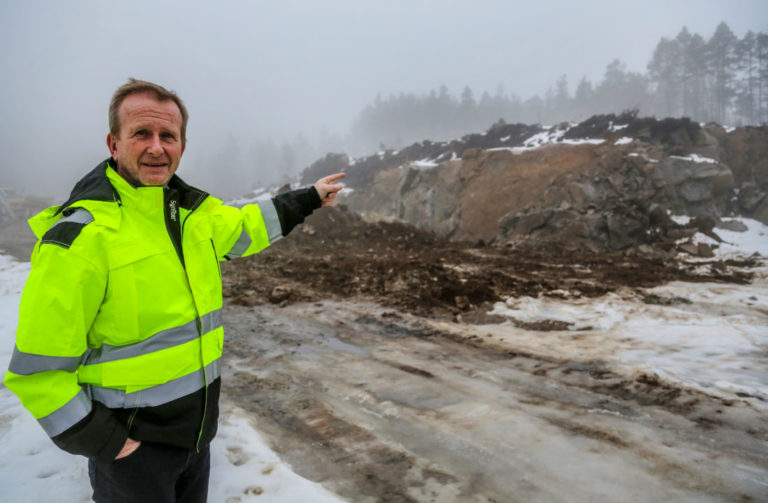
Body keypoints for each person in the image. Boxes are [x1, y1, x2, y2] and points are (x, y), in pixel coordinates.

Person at [3, 78, 344, 502]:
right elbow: (38, 372)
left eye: (169, 136)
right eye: (142, 133)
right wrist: (107, 445)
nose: (157, 147)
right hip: (131, 455)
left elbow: (242, 229)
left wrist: (309, 198)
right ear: (113, 143)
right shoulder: (81, 238)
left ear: (182, 145)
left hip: (196, 439)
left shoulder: (189, 214)